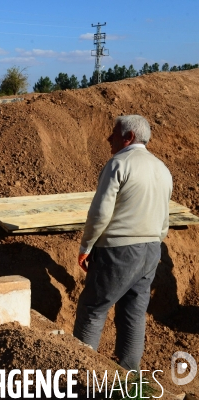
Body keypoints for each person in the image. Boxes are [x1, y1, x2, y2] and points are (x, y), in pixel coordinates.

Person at [73, 115, 172, 370]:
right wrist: (154, 244)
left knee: (92, 309)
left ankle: (81, 377)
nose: (109, 138)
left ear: (128, 137)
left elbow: (100, 212)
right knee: (134, 314)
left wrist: (86, 246)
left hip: (118, 250)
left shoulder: (119, 163)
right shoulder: (162, 169)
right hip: (152, 250)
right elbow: (164, 219)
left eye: (114, 134)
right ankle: (130, 379)